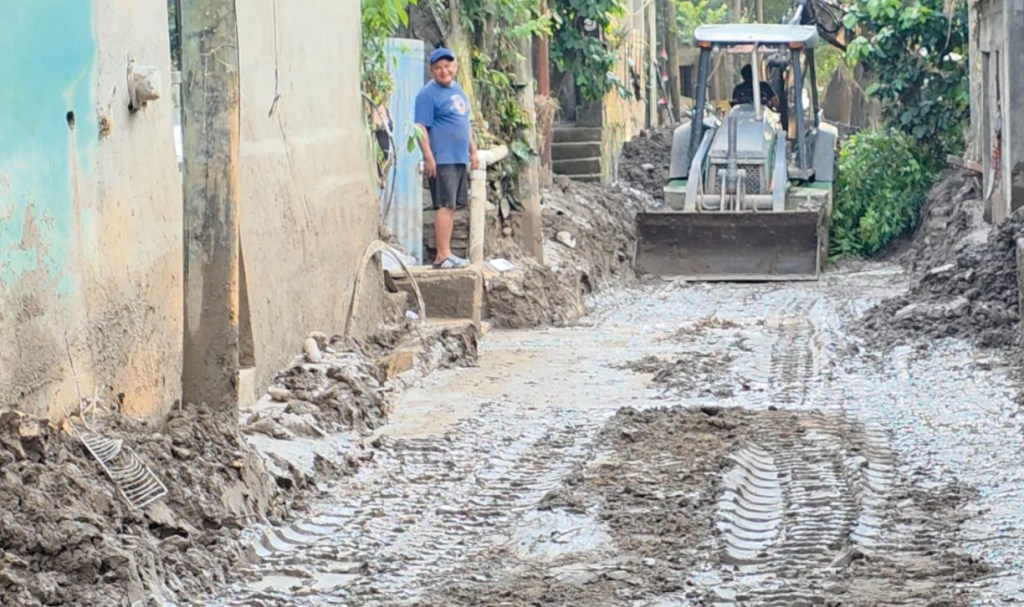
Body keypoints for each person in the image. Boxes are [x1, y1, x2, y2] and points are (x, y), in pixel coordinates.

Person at [415, 47, 479, 269]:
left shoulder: (458, 90)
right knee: (443, 204)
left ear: (455, 66)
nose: (444, 71)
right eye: (438, 68)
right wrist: (429, 157)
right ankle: (442, 255)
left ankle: (447, 252)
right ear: (432, 70)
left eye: (447, 66)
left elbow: (465, 122)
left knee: (451, 206)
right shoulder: (427, 95)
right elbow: (420, 127)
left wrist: (473, 151)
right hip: (442, 159)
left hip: (458, 158)